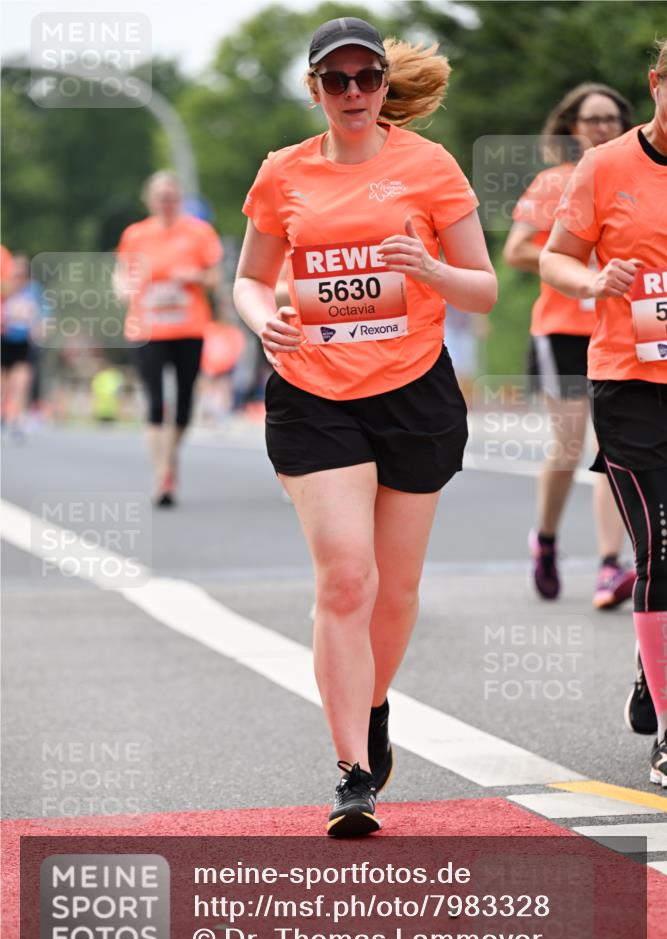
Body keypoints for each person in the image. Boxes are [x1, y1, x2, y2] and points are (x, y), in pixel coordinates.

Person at [234, 17, 496, 836]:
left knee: (395, 587)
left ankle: (373, 702)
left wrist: (431, 270)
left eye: (366, 78)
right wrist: (260, 322)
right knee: (345, 578)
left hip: (412, 392)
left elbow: (482, 289)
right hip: (312, 392)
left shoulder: (429, 167)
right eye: (335, 79)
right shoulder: (282, 174)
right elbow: (248, 279)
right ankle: (353, 773)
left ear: (385, 86)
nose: (352, 92)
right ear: (314, 88)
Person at [541, 39, 667, 787]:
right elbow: (554, 256)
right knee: (660, 547)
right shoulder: (606, 166)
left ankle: (651, 669)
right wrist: (593, 280)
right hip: (629, 380)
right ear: (656, 83)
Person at [504, 83, 636, 608]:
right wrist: (578, 266)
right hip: (560, 330)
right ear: (571, 128)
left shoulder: (635, 178)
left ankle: (609, 566)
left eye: (611, 119)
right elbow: (515, 251)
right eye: (591, 119)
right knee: (569, 445)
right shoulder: (554, 182)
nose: (601, 127)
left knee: (613, 446)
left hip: (621, 330)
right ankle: (547, 539)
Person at [113, 172, 223, 506]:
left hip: (188, 326)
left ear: (180, 199)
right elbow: (121, 272)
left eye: (172, 195)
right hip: (147, 327)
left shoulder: (199, 232)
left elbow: (217, 277)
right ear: (149, 200)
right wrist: (122, 288)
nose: (167, 201)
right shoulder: (136, 234)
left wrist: (196, 276)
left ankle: (168, 458)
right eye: (161, 196)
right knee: (156, 400)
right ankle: (162, 476)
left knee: (185, 404)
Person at [1, 253, 44, 439]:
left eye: (21, 273)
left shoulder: (34, 290)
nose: (18, 277)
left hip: (24, 341)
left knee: (21, 381)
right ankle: (2, 415)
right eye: (15, 273)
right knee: (3, 382)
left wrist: (40, 327)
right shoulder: (4, 288)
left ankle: (16, 419)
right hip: (5, 339)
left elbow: (43, 313)